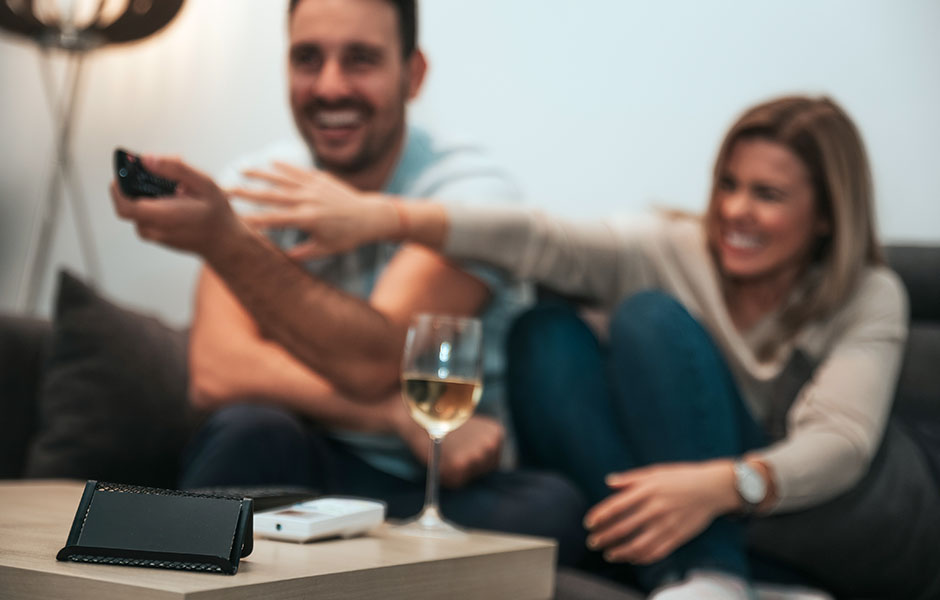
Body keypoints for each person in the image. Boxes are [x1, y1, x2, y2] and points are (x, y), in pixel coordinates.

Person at [211, 95, 940, 599]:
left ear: (825, 217)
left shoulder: (867, 294)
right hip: (671, 499)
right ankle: (701, 579)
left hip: (801, 501)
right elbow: (537, 237)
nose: (736, 211)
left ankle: (713, 573)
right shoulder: (675, 246)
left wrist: (723, 482)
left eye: (769, 195)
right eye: (728, 185)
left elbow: (841, 440)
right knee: (544, 333)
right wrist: (385, 217)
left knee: (649, 319)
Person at [110, 0, 588, 566]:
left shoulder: (466, 195)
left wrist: (226, 241)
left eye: (361, 59)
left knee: (550, 512)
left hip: (434, 483)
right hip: (311, 464)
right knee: (247, 431)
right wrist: (393, 416)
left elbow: (375, 360)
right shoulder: (253, 186)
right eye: (307, 59)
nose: (330, 87)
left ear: (413, 75)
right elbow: (218, 373)